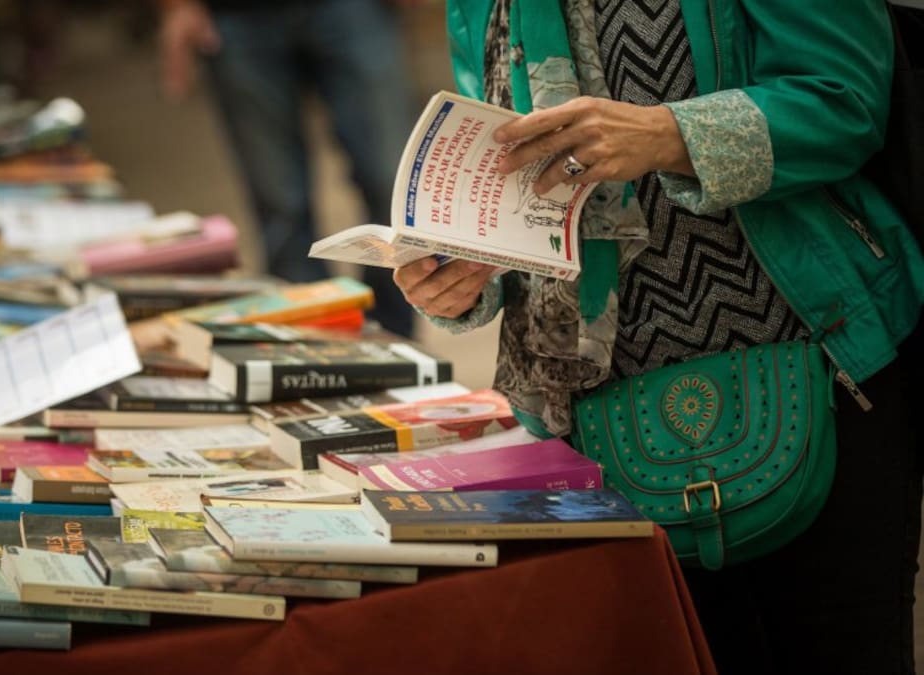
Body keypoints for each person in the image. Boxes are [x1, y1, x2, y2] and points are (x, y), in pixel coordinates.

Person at [393, 1, 924, 673]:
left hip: (817, 370)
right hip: (594, 418)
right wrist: (463, 276)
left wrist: (668, 133)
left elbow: (844, 100)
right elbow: (508, 171)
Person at [156, 0, 419, 337]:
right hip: (238, 18)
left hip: (354, 9)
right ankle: (317, 350)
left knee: (394, 181)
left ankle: (397, 343)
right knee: (281, 205)